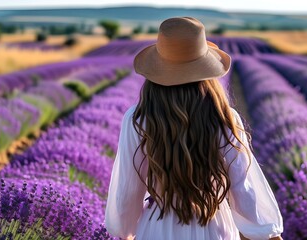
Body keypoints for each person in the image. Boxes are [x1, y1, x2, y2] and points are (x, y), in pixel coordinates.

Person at [105, 16, 284, 240]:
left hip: (157, 228)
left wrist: (125, 230)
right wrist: (267, 231)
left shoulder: (137, 119)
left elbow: (127, 190)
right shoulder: (224, 117)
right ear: (206, 72)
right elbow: (244, 186)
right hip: (213, 227)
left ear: (156, 71)